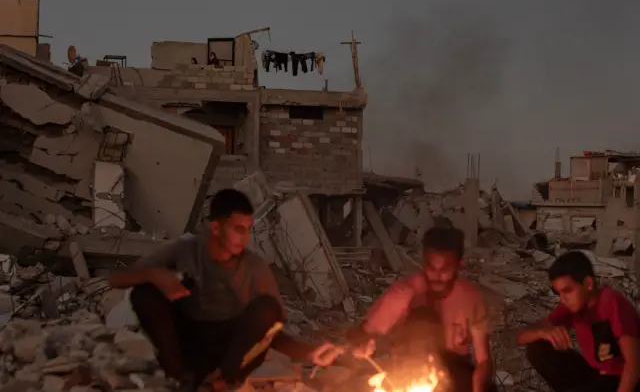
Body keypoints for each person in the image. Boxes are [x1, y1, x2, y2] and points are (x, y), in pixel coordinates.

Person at [109, 189, 313, 391]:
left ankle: (224, 379)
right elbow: (116, 279)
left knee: (268, 308)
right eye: (238, 229)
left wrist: (308, 353)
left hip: (229, 350)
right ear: (216, 228)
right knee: (144, 293)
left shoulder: (255, 267)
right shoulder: (185, 249)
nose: (245, 238)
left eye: (248, 229)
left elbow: (272, 330)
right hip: (189, 343)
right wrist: (154, 275)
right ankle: (180, 377)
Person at [311, 226, 496, 392]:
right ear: (424, 263)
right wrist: (359, 343)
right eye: (432, 268)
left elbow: (483, 361)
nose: (437, 277)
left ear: (459, 265)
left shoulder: (470, 298)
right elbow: (363, 333)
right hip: (409, 368)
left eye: (445, 269)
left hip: (454, 371)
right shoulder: (403, 294)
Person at [516, 251, 639, 392]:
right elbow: (520, 337)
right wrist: (543, 333)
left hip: (623, 380)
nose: (563, 299)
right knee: (537, 349)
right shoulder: (571, 307)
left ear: (588, 283)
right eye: (558, 293)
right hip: (597, 374)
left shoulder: (612, 303)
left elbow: (634, 364)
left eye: (567, 291)